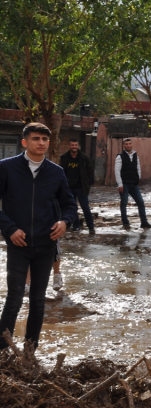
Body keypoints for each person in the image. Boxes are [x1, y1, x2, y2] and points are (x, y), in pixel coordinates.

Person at [0, 122, 77, 350]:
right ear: (25, 142)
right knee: (14, 299)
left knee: (38, 300)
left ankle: (30, 351)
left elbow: (69, 203)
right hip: (18, 243)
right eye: (36, 139)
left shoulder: (56, 172)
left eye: (44, 139)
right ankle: (2, 351)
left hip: (46, 245)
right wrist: (10, 228)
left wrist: (65, 221)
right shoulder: (6, 168)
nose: (41, 143)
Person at [115, 138, 151, 230]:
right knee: (124, 203)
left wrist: (138, 177)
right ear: (124, 145)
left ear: (132, 145)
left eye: (129, 144)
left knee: (140, 202)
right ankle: (125, 223)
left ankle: (144, 222)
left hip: (134, 184)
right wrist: (120, 184)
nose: (128, 145)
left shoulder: (136, 155)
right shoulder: (120, 156)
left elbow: (138, 167)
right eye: (126, 144)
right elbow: (117, 171)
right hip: (124, 184)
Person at [60, 138, 95, 234]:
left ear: (78, 146)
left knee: (85, 207)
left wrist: (88, 184)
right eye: (72, 145)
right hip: (69, 187)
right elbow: (62, 172)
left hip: (81, 187)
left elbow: (90, 171)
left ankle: (91, 226)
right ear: (69, 146)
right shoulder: (64, 157)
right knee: (72, 207)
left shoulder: (84, 158)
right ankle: (76, 225)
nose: (74, 147)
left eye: (75, 145)